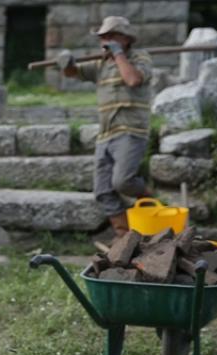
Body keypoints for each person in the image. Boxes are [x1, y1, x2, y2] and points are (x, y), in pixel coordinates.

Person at [57, 15, 153, 239]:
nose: (105, 41)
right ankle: (125, 237)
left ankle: (149, 199)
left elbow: (133, 80)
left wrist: (118, 53)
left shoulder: (140, 58)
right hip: (106, 134)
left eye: (111, 36)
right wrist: (66, 63)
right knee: (103, 191)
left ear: (126, 39)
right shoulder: (101, 63)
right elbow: (73, 72)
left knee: (123, 181)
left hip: (131, 131)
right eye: (103, 37)